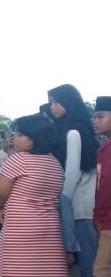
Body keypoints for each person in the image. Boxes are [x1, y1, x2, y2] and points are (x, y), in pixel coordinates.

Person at [0, 114, 68, 276]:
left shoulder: (19, 160)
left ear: (35, 138)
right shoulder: (55, 164)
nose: (15, 139)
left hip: (20, 231)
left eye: (20, 135)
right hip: (50, 231)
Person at [48, 84, 98, 277]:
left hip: (80, 207)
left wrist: (62, 201)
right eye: (51, 102)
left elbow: (72, 172)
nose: (52, 107)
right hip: (78, 205)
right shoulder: (68, 129)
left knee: (88, 263)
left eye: (56, 102)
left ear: (69, 102)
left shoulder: (73, 132)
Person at [93, 96, 111, 276]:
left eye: (100, 117)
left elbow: (106, 186)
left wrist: (97, 215)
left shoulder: (107, 149)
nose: (95, 121)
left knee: (102, 270)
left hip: (109, 220)